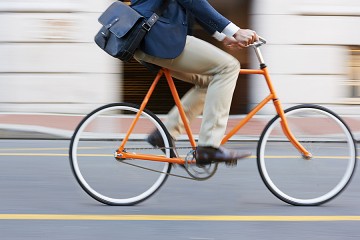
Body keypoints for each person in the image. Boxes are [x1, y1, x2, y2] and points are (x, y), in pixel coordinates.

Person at [130, 0, 258, 166]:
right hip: (160, 37)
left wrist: (222, 36)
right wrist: (235, 31)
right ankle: (209, 146)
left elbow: (187, 5)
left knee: (211, 81)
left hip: (151, 39)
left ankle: (165, 133)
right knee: (229, 66)